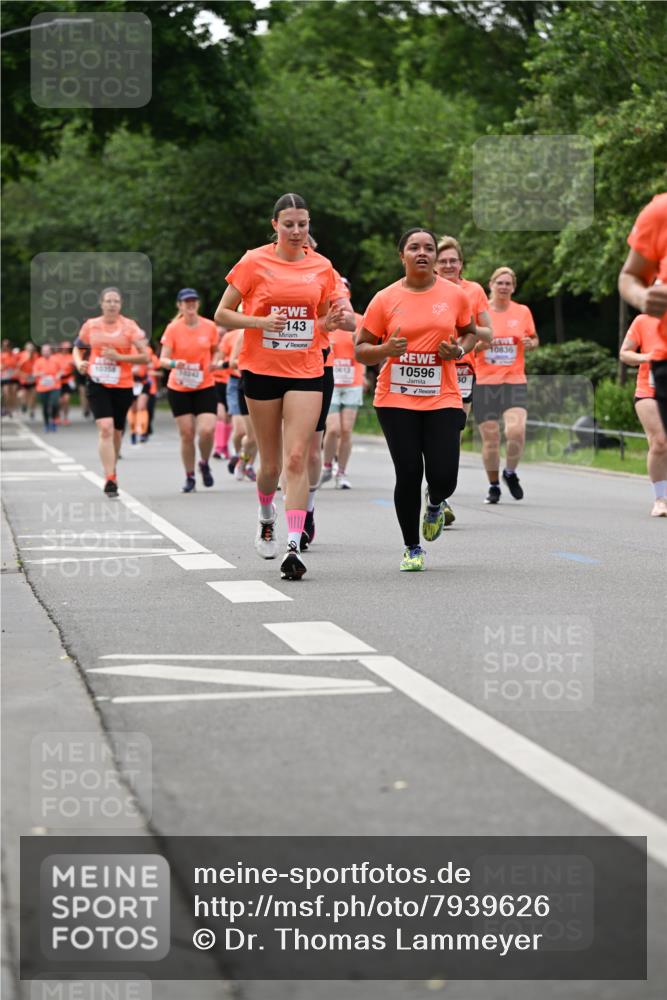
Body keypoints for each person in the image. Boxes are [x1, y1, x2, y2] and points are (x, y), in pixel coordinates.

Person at [214, 192, 342, 581]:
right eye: (289, 224)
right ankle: (266, 514)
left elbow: (322, 320)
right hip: (261, 369)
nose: (297, 231)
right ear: (275, 225)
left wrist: (331, 323)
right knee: (270, 465)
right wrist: (259, 323)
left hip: (306, 369)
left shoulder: (321, 266)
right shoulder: (253, 261)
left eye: (303, 224)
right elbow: (221, 314)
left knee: (296, 457)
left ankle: (293, 544)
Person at [355, 228, 477, 571]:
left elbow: (470, 333)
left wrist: (458, 351)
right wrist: (385, 349)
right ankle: (412, 547)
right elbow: (361, 349)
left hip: (443, 396)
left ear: (435, 256)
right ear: (402, 256)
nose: (422, 252)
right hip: (395, 398)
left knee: (445, 476)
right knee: (408, 472)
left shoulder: (454, 295)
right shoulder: (385, 298)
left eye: (428, 248)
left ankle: (435, 502)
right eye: (414, 247)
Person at [434, 236, 493, 523]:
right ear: (435, 265)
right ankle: (436, 494)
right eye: (443, 261)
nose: (448, 265)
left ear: (461, 264)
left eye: (453, 261)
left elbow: (488, 333)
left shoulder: (474, 290)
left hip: (461, 370)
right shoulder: (425, 288)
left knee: (452, 434)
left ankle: (438, 496)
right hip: (430, 369)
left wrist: (465, 333)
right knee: (431, 434)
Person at [73, 287, 149, 497]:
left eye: (116, 301)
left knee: (116, 432)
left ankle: (112, 466)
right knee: (105, 428)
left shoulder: (129, 327)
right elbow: (77, 348)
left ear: (120, 305)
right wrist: (79, 363)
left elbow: (145, 357)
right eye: (108, 301)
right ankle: (110, 477)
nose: (112, 304)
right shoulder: (91, 325)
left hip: (122, 385)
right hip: (97, 383)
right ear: (102, 304)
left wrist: (119, 357)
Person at [472, 266, 538, 503]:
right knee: (491, 440)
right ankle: (494, 486)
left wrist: (531, 343)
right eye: (499, 282)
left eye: (508, 283)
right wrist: (480, 346)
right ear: (490, 285)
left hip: (514, 380)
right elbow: (467, 345)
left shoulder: (522, 311)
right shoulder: (480, 312)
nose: (503, 287)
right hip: (485, 382)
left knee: (516, 432)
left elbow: (533, 338)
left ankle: (510, 472)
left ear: (513, 287)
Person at [302, 263, 356, 547]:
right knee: (325, 433)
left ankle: (337, 475)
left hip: (340, 377)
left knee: (341, 432)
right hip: (287, 370)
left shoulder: (349, 315)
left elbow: (361, 335)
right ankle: (280, 513)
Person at [160, 288, 219, 493]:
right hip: (179, 387)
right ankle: (190, 475)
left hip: (204, 385)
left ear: (198, 304)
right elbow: (163, 359)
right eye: (187, 301)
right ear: (180, 305)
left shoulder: (209, 326)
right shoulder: (173, 329)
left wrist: (215, 361)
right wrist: (174, 363)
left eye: (194, 301)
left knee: (207, 430)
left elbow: (217, 350)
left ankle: (204, 462)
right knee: (187, 434)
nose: (191, 304)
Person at [619, 193, 667, 433]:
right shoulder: (660, 211)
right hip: (664, 358)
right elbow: (629, 276)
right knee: (661, 443)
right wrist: (643, 297)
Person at [619, 312, 667, 516]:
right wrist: (646, 357)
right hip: (649, 391)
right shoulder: (643, 320)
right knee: (659, 442)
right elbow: (625, 354)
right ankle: (660, 500)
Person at [322, 300, 367, 489]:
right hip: (331, 381)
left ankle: (341, 472)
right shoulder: (324, 319)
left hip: (352, 382)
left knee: (346, 430)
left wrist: (364, 375)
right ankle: (327, 467)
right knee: (333, 429)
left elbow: (365, 350)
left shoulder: (358, 320)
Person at [212, 325, 233, 461]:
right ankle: (219, 447)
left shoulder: (231, 342)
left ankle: (224, 447)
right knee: (220, 415)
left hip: (230, 382)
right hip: (216, 382)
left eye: (222, 334)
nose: (220, 336)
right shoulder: (212, 347)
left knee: (229, 417)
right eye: (218, 334)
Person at [33, 344, 63, 431]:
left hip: (55, 386)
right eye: (44, 351)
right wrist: (40, 373)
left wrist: (58, 375)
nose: (46, 352)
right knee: (45, 406)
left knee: (54, 404)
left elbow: (61, 370)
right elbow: (34, 374)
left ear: (50, 351)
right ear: (41, 352)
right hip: (42, 387)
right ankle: (46, 424)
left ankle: (53, 421)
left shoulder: (56, 359)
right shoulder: (38, 361)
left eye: (47, 351)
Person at [55, 341, 76, 426]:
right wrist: (57, 373)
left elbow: (78, 366)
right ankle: (57, 416)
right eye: (64, 347)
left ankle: (66, 418)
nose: (66, 349)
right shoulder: (56, 357)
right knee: (59, 401)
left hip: (68, 380)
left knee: (66, 399)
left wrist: (75, 364)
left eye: (67, 347)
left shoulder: (72, 357)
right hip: (58, 381)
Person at [17, 342, 37, 418]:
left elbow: (38, 365)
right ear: (25, 349)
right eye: (29, 348)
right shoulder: (21, 355)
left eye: (31, 348)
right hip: (24, 378)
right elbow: (18, 367)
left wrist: (35, 374)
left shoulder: (36, 355)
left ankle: (32, 410)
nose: (30, 350)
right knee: (22, 394)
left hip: (32, 378)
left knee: (33, 396)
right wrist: (25, 359)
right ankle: (24, 404)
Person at [1, 340, 19, 416]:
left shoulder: (15, 355)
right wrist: (4, 367)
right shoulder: (1, 355)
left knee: (13, 394)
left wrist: (16, 370)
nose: (6, 347)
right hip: (5, 377)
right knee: (6, 393)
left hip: (14, 377)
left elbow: (18, 365)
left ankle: (11, 409)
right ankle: (6, 408)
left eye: (7, 345)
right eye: (4, 345)